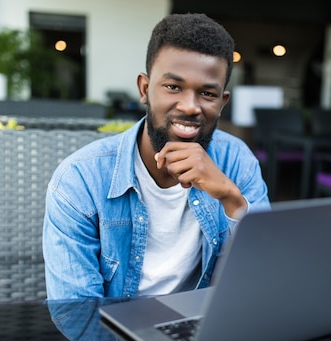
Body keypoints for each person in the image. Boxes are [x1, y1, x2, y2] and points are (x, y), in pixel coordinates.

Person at [43, 13, 270, 300]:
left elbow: (265, 278)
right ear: (144, 89)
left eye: (207, 93)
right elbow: (77, 311)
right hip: (116, 338)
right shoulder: (79, 179)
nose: (190, 106)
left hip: (205, 334)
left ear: (222, 102)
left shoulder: (236, 160)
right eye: (173, 87)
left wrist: (230, 198)